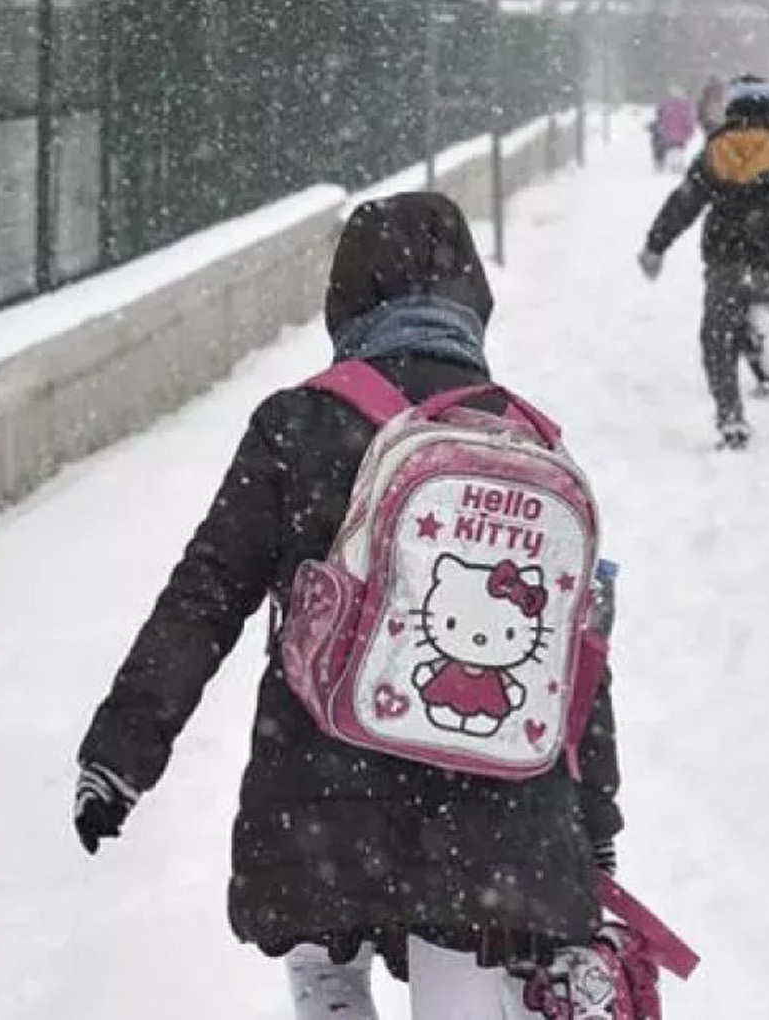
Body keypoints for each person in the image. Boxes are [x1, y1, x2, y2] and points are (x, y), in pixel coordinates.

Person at [71, 192, 624, 1017]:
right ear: (472, 299)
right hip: (493, 808)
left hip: (322, 789)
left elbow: (207, 592)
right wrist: (595, 819)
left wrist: (120, 753)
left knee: (325, 953)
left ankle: (330, 988)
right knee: (464, 968)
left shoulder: (298, 423)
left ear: (347, 300)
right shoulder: (527, 442)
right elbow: (572, 655)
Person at [638, 75, 769, 450]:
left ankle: (730, 417)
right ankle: (768, 332)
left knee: (717, 337)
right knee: (761, 306)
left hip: (727, 259)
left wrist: (655, 246)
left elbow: (684, 203)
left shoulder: (716, 153)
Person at [650, 89, 698, 172]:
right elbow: (689, 119)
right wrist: (690, 130)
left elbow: (660, 115)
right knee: (679, 149)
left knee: (671, 149)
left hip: (669, 132)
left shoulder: (666, 104)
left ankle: (673, 165)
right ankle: (678, 165)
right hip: (682, 133)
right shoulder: (686, 105)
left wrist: (662, 128)